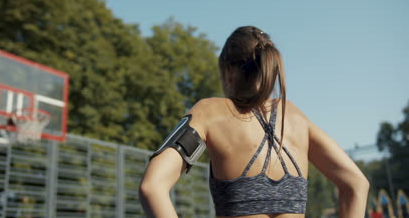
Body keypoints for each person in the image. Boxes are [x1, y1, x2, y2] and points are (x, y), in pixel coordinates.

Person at [139, 26, 370, 217]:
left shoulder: (209, 112)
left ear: (228, 72)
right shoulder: (295, 118)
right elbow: (356, 184)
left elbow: (152, 187)